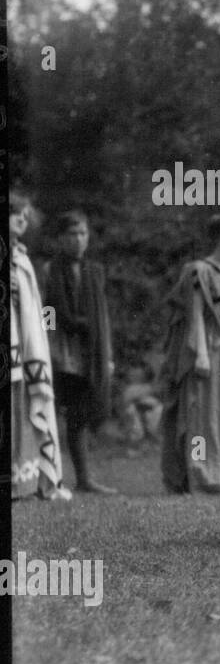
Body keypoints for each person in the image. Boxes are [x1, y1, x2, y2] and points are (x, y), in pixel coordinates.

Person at [159, 211, 220, 495]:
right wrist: (200, 352)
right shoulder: (198, 270)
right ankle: (200, 472)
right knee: (202, 418)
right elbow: (195, 315)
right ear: (216, 236)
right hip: (209, 354)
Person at [38, 210, 118, 494]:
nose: (78, 240)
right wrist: (46, 342)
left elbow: (102, 316)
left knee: (79, 415)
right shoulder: (50, 270)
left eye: (83, 233)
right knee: (50, 410)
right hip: (60, 348)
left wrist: (106, 355)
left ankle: (83, 478)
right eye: (72, 234)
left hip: (87, 352)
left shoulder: (94, 271)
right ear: (61, 238)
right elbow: (46, 309)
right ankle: (42, 475)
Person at [10, 191, 72, 500]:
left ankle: (25, 482)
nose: (21, 219)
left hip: (22, 348)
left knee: (22, 411)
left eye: (24, 214)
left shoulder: (21, 259)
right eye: (13, 213)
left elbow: (36, 312)